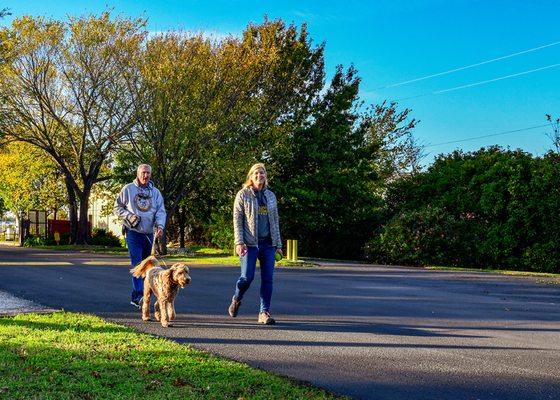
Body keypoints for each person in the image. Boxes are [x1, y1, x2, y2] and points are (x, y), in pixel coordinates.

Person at [228, 163, 283, 325]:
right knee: (247, 277)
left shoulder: (271, 196)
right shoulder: (243, 195)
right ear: (251, 177)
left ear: (266, 176)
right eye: (256, 173)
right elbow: (237, 220)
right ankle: (237, 298)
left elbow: (275, 221)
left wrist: (278, 243)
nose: (260, 176)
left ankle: (263, 312)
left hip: (269, 244)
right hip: (249, 244)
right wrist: (239, 242)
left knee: (268, 279)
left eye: (262, 173)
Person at [114, 164, 166, 308]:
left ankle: (146, 294)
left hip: (149, 234)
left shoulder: (155, 193)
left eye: (148, 173)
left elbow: (161, 211)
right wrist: (129, 216)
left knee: (149, 267)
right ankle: (137, 296)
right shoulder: (128, 189)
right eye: (143, 173)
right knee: (138, 265)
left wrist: (160, 226)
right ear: (138, 173)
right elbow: (117, 207)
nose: (145, 175)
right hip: (133, 233)